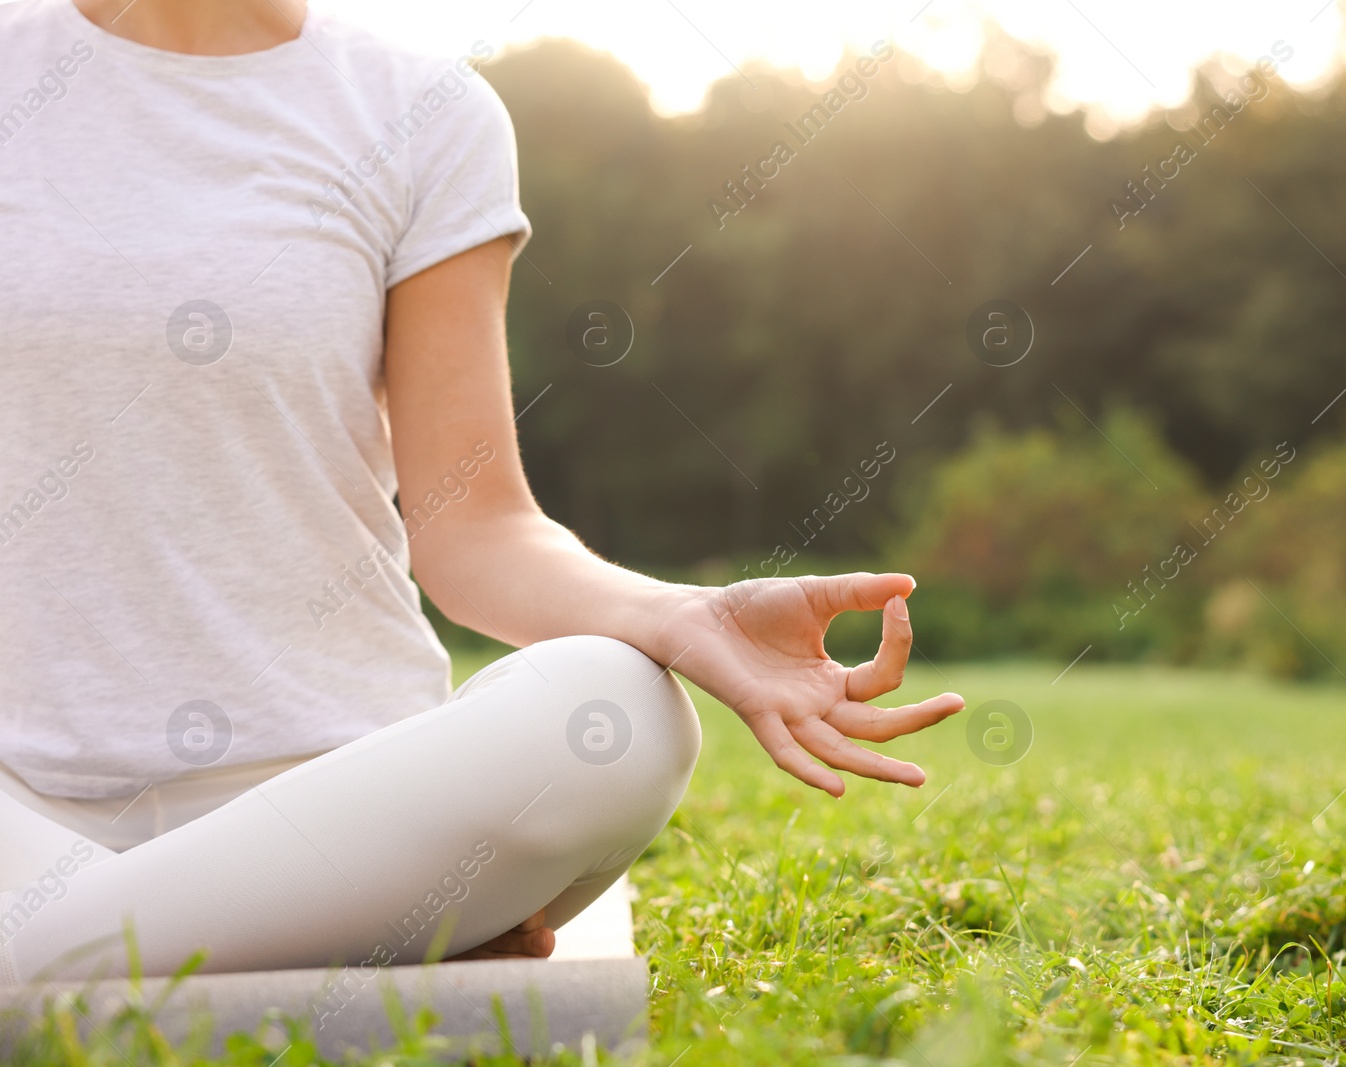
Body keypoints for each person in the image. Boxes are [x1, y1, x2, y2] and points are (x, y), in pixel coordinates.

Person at [0, 0, 964, 984]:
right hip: (20, 811)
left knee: (618, 713)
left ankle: (62, 963)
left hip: (348, 814)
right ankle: (286, 955)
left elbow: (476, 526)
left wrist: (687, 613)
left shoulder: (421, 109)